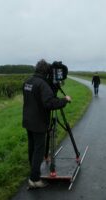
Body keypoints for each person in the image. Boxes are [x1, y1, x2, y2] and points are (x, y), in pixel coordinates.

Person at [22, 59, 71, 188]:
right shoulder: (43, 85)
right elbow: (49, 103)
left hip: (28, 120)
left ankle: (33, 170)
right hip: (38, 122)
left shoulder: (28, 81)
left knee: (32, 147)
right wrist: (64, 100)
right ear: (46, 71)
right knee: (39, 149)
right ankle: (35, 179)